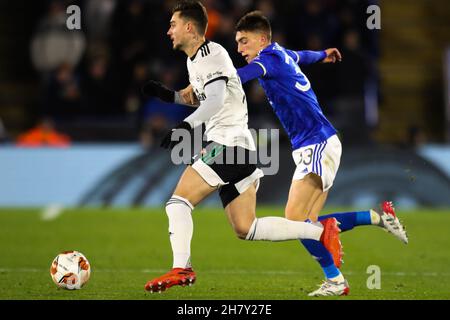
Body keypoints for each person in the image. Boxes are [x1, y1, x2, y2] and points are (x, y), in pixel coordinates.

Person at [178, 11, 408, 296]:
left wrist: (199, 85)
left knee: (296, 220)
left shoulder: (268, 60)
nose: (240, 49)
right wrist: (323, 53)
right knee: (306, 223)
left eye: (244, 42)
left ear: (262, 40)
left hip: (317, 142)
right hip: (317, 143)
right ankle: (374, 224)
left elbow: (239, 77)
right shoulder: (282, 54)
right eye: (237, 43)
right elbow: (303, 56)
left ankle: (337, 275)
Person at [142, 1, 346, 297]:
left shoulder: (214, 56)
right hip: (242, 150)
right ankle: (320, 232)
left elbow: (215, 98)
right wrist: (169, 96)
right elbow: (207, 95)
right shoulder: (196, 61)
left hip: (227, 145)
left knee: (178, 202)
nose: (168, 30)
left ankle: (182, 267)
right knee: (246, 228)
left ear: (189, 27)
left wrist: (185, 127)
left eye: (173, 24)